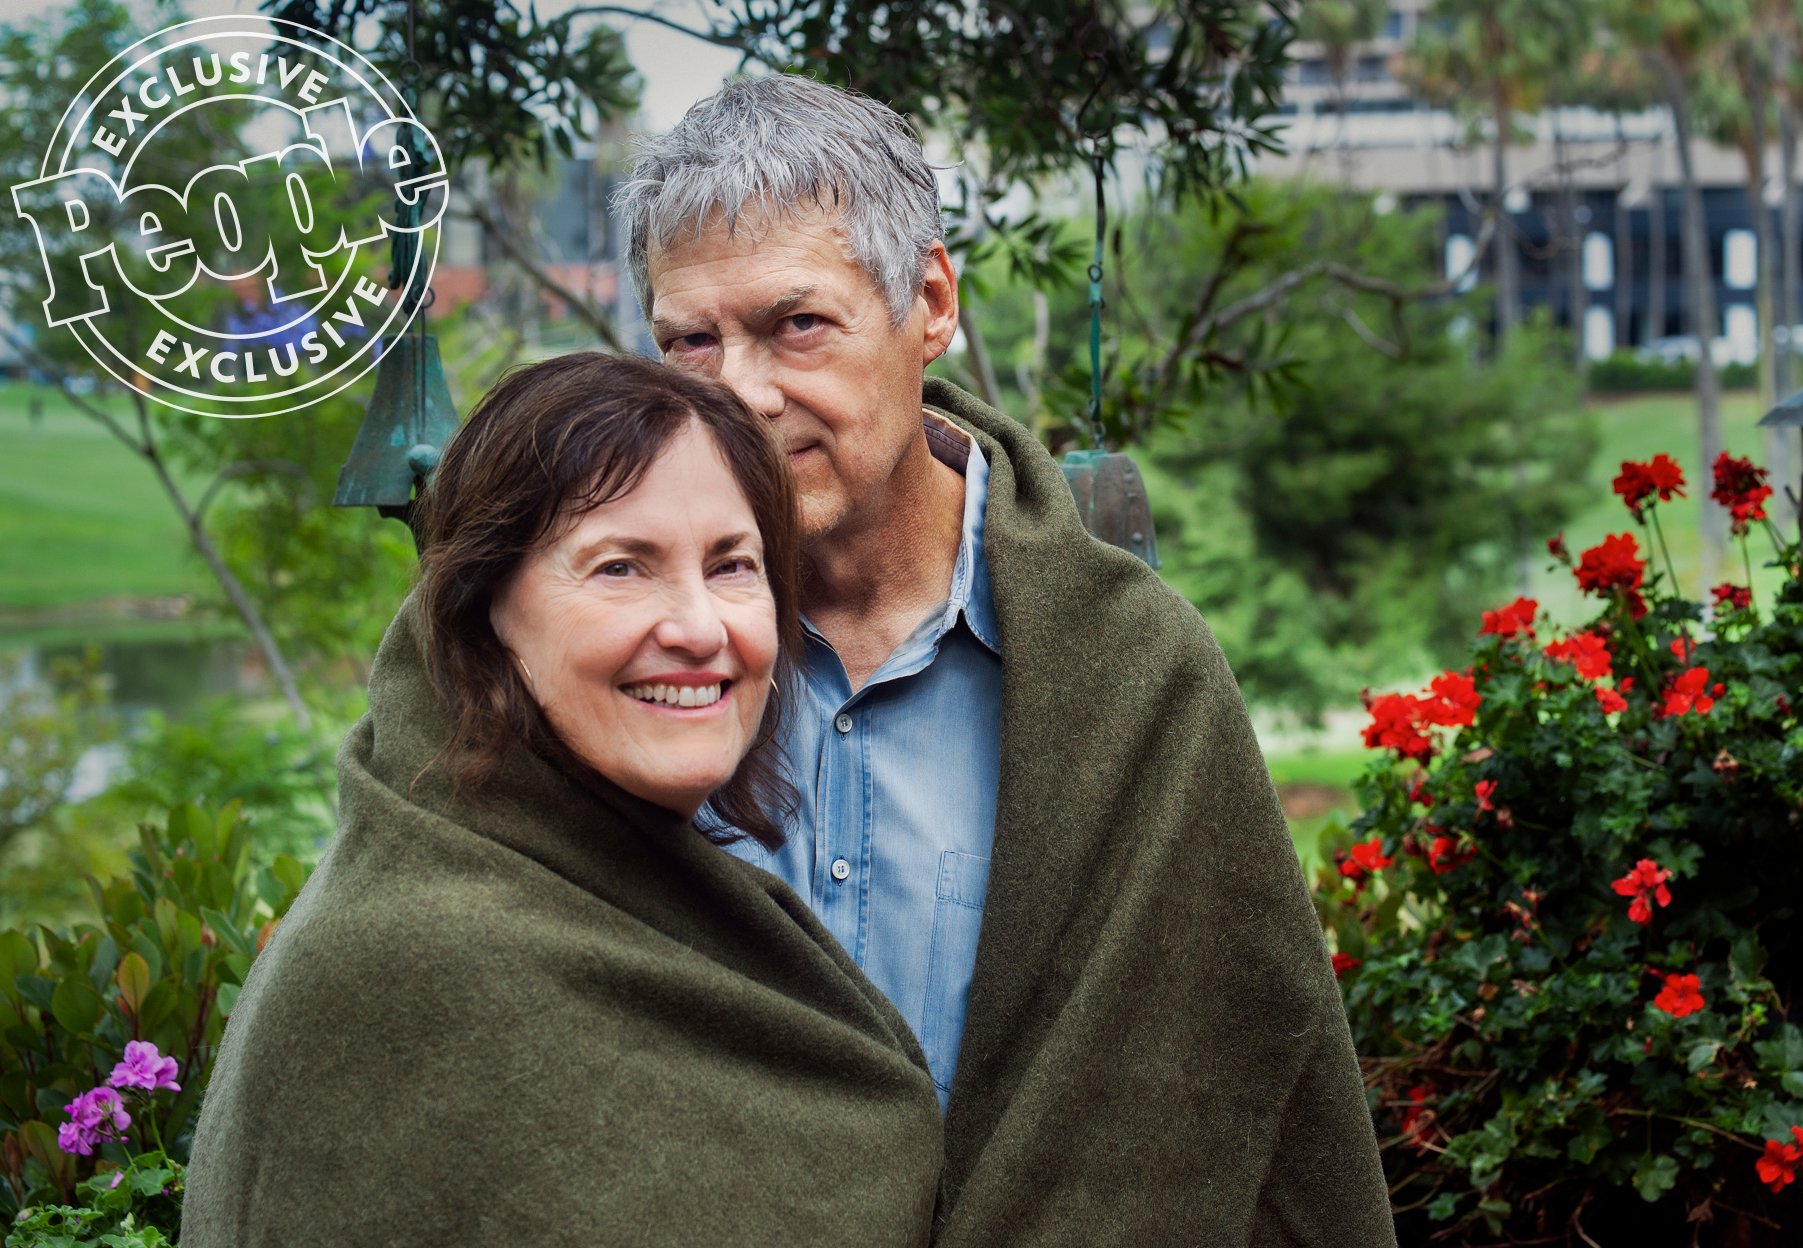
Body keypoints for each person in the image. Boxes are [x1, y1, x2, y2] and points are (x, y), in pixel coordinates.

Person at [616, 77, 1397, 1244]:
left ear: (930, 303)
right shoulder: (613, 657)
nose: (742, 393)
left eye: (797, 324)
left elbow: (1219, 1090)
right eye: (691, 340)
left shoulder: (1136, 671)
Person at [179, 353, 943, 1246]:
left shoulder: (652, 886)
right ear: (485, 609)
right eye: (621, 567)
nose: (699, 628)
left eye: (733, 565)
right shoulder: (406, 968)